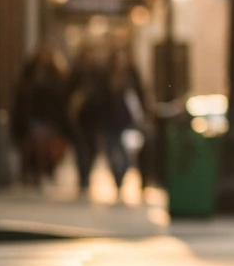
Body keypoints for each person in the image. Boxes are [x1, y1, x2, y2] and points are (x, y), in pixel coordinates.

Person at [10, 47, 69, 188]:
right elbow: (21, 100)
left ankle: (44, 172)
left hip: (49, 119)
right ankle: (35, 173)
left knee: (46, 148)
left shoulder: (55, 78)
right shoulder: (30, 78)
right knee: (35, 147)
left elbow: (60, 100)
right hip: (34, 118)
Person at [66, 46, 110, 198]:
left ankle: (87, 173)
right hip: (80, 119)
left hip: (95, 118)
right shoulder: (76, 74)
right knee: (81, 148)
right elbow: (66, 94)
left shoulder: (100, 74)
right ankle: (83, 176)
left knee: (92, 149)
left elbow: (105, 95)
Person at [105, 45, 146, 194]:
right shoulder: (106, 76)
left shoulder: (132, 76)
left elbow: (140, 96)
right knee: (110, 152)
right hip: (109, 122)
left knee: (127, 155)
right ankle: (116, 178)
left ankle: (121, 178)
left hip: (127, 122)